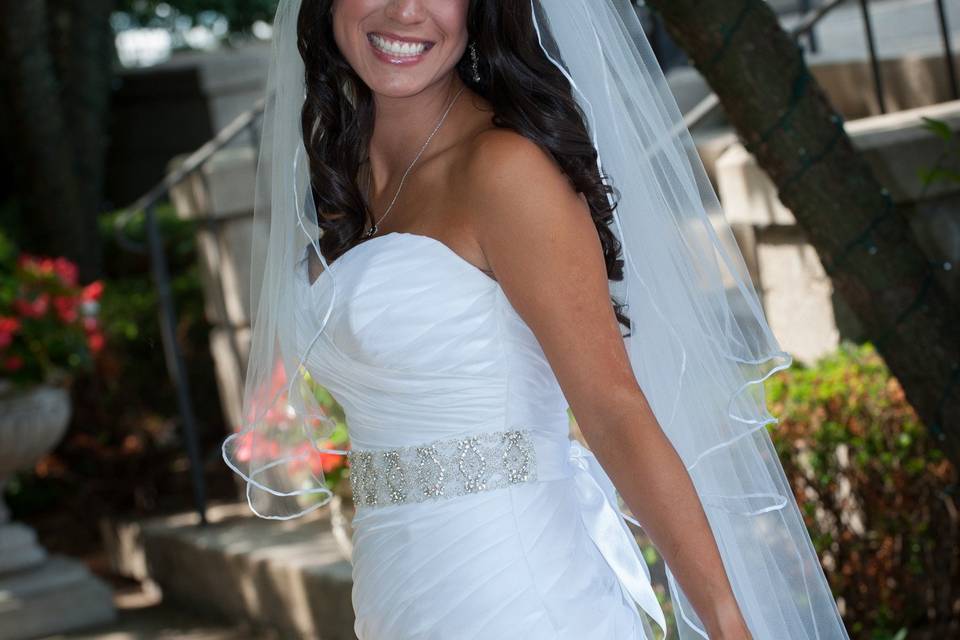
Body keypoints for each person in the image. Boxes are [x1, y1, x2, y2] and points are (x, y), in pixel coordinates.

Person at [222, 1, 853, 638]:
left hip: (517, 594)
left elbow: (613, 409)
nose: (405, 10)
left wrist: (727, 623)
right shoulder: (343, 185)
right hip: (395, 597)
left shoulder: (504, 170)